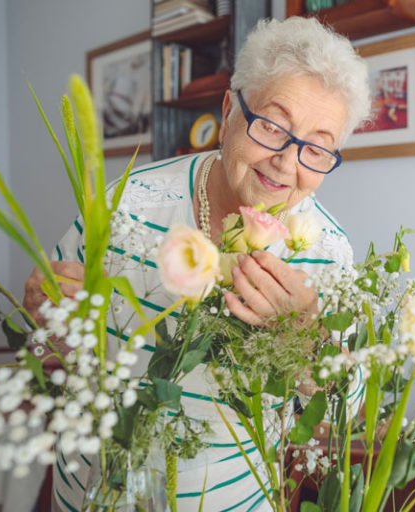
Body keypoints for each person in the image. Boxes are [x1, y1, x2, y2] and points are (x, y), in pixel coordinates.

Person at [23, 16, 371, 511]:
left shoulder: (326, 252)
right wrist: (43, 314)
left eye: (316, 147)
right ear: (229, 108)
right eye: (272, 126)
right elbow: (43, 344)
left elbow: (341, 414)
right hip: (91, 493)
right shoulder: (127, 203)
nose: (288, 162)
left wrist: (305, 336)